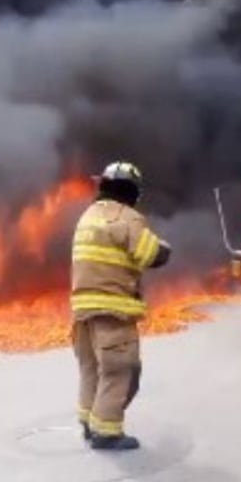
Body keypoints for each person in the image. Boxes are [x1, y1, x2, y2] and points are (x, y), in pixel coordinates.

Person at [70, 161, 171, 451]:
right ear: (131, 190)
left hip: (82, 311)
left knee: (91, 368)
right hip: (112, 310)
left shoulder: (87, 216)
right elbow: (149, 253)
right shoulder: (127, 217)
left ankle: (89, 423)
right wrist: (165, 248)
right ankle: (107, 431)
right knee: (119, 370)